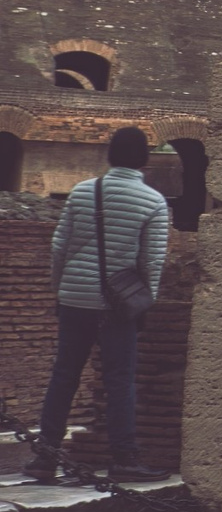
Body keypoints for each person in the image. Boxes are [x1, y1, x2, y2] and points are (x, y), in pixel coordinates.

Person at [25, 128, 171, 484]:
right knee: (120, 380)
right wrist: (143, 302)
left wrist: (59, 291)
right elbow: (152, 263)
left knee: (63, 376)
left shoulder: (82, 191)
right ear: (145, 159)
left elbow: (59, 249)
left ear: (109, 155)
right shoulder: (152, 202)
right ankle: (124, 458)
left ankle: (45, 458)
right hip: (116, 306)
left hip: (74, 298)